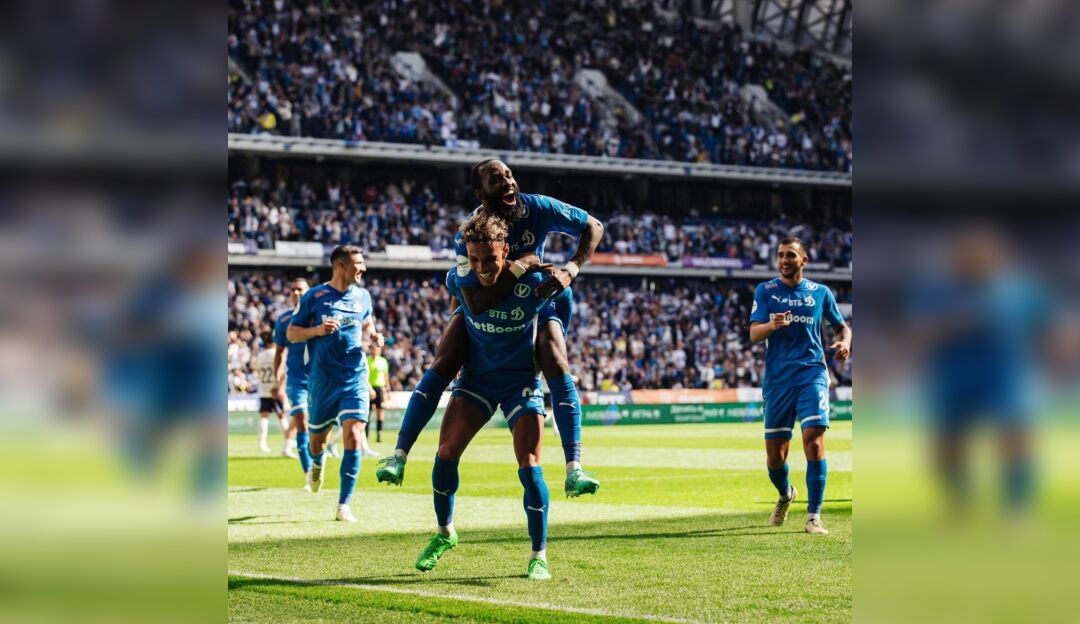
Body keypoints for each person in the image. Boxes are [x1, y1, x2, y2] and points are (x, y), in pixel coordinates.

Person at [377, 159, 603, 499]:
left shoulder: (538, 207)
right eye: (496, 180)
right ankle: (399, 454)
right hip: (481, 306)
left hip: (530, 303)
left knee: (557, 361)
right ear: (480, 193)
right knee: (445, 361)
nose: (508, 182)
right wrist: (522, 265)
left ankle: (574, 468)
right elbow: (475, 303)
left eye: (509, 175)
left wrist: (570, 269)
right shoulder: (468, 234)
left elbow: (594, 226)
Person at [414, 212, 566, 580]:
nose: (481, 267)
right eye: (474, 259)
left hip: (520, 381)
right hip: (477, 379)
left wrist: (555, 334)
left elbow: (561, 307)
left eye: (489, 259)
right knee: (445, 452)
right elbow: (461, 314)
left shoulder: (533, 281)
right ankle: (444, 532)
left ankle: (539, 555)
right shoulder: (461, 281)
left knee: (530, 465)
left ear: (505, 252)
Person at [749, 237, 851, 535]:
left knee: (814, 442)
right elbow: (754, 334)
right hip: (778, 381)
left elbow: (842, 327)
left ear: (803, 260)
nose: (784, 260)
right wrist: (772, 325)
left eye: (790, 255)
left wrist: (845, 343)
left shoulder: (820, 293)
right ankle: (786, 494)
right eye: (780, 255)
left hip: (812, 375)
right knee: (775, 458)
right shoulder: (766, 290)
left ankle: (813, 517)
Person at [288, 246, 383, 522]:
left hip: (354, 377)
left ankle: (344, 505)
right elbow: (292, 333)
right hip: (322, 381)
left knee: (354, 434)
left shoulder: (363, 296)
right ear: (341, 266)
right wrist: (317, 330)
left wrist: (373, 335)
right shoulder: (314, 296)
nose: (363, 268)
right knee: (317, 443)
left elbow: (367, 323)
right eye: (358, 263)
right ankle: (317, 463)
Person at [272, 279, 311, 481]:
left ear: (308, 292)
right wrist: (276, 380)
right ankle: (309, 472)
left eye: (300, 289)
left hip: (320, 379)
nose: (296, 293)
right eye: (293, 290)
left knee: (322, 427)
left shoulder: (318, 316)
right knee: (301, 419)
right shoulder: (284, 319)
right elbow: (279, 352)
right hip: (296, 381)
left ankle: (318, 459)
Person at [252, 337, 289, 453]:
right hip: (275, 388)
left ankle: (262, 443)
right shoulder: (277, 353)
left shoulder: (261, 355)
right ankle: (288, 440)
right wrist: (280, 387)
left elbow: (256, 369)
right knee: (282, 416)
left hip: (263, 389)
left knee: (264, 416)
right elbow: (282, 372)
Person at [367, 344, 390, 443]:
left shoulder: (383, 361)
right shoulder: (366, 360)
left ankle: (379, 434)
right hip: (368, 388)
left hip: (380, 388)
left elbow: (386, 376)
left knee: (380, 413)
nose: (375, 350)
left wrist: (388, 390)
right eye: (373, 349)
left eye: (377, 349)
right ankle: (366, 435)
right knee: (367, 413)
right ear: (370, 349)